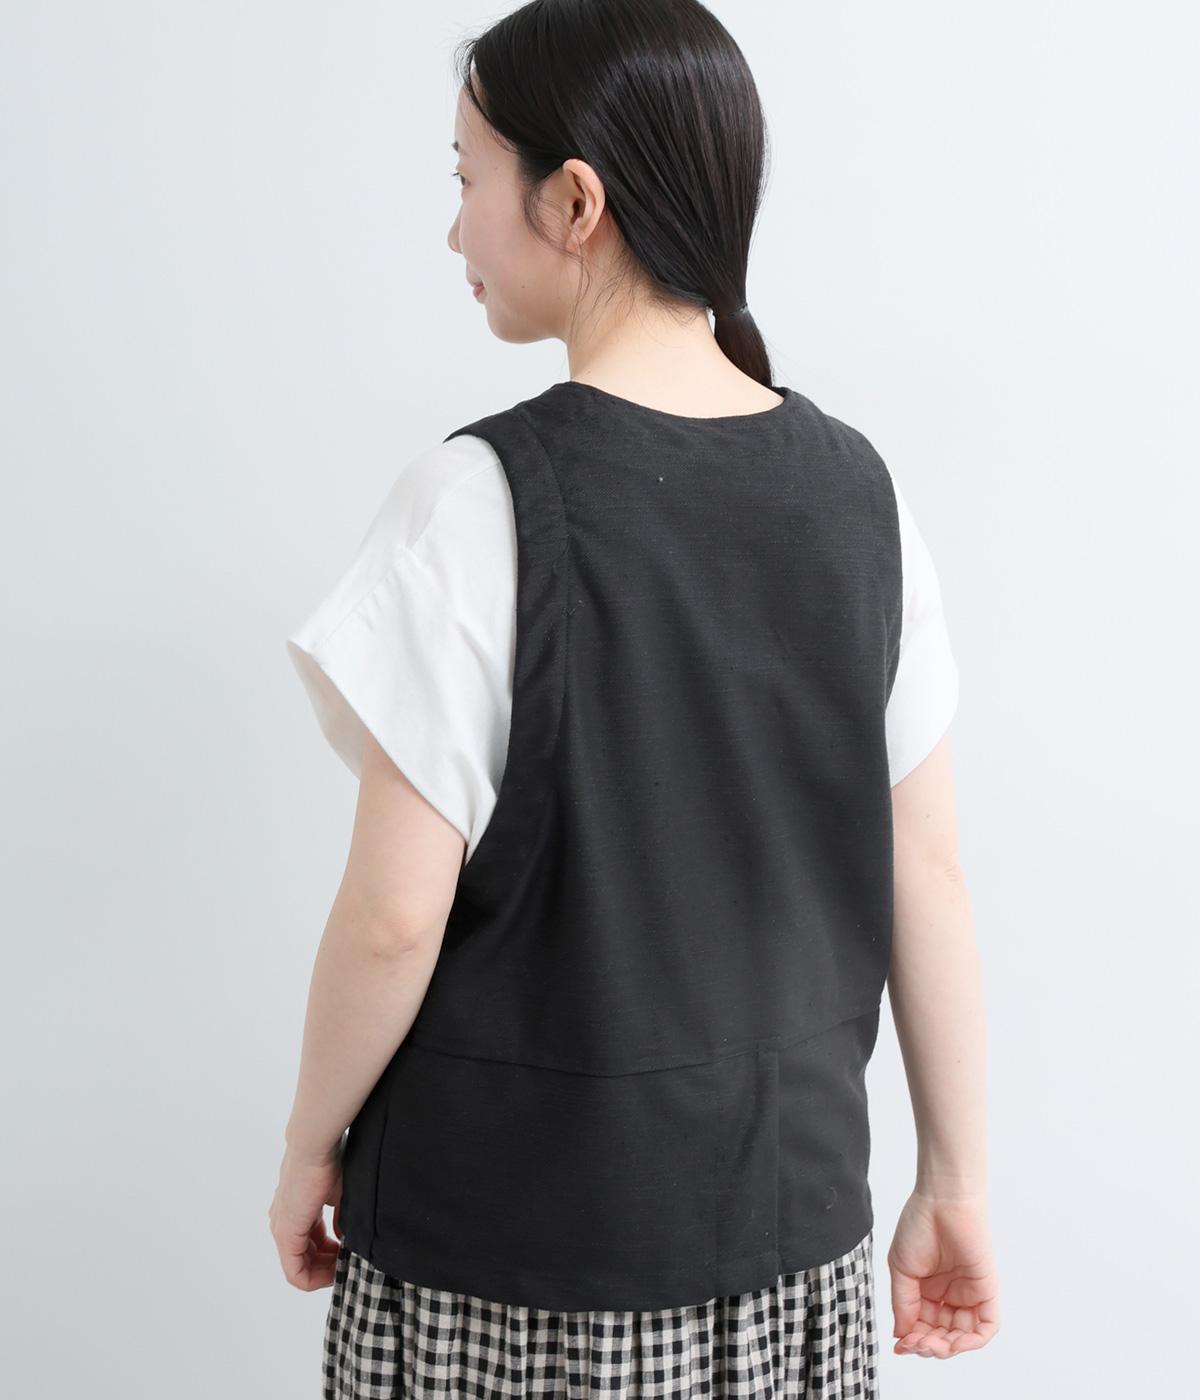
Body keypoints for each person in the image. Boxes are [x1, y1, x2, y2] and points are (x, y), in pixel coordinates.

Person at [268, 0, 1000, 1394]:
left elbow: (392, 917)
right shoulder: (864, 498)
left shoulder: (478, 500)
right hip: (795, 1256)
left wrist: (310, 1145)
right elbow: (929, 871)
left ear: (574, 201)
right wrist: (954, 1177)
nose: (453, 229)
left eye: (467, 178)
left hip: (512, 1271)